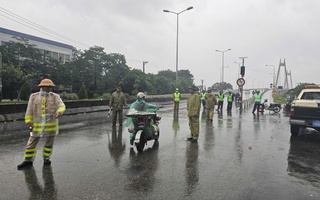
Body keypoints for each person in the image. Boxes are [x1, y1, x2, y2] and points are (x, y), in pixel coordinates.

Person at [17, 78, 66, 170]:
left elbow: (61, 105)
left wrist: (59, 111)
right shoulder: (34, 96)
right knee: (31, 142)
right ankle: (28, 160)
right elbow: (29, 109)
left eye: (50, 87)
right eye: (48, 87)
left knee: (49, 143)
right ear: (42, 86)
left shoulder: (55, 96)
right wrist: (28, 121)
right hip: (36, 125)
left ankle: (46, 158)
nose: (49, 88)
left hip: (51, 125)